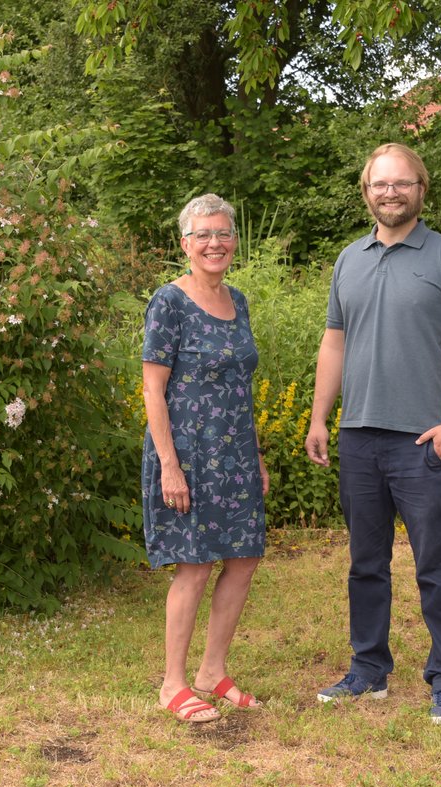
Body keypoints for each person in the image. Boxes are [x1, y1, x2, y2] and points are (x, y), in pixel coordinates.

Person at [304, 143, 441, 724]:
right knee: (365, 562)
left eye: (402, 183)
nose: (391, 192)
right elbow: (334, 342)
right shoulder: (348, 260)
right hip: (359, 436)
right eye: (380, 184)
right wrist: (318, 417)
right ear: (366, 192)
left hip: (421, 440)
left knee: (436, 561)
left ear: (421, 189)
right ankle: (368, 670)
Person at [141, 193, 270, 723]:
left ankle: (211, 671)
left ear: (234, 242)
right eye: (203, 236)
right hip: (190, 455)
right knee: (193, 567)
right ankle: (173, 683)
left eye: (223, 234)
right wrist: (169, 465)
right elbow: (153, 390)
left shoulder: (237, 300)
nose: (214, 243)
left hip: (236, 453)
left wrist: (256, 456)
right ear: (185, 245)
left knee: (243, 559)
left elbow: (241, 386)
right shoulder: (168, 302)